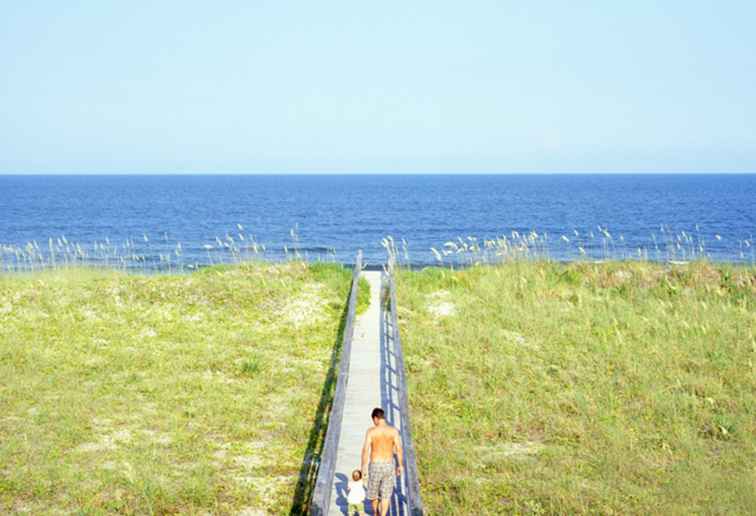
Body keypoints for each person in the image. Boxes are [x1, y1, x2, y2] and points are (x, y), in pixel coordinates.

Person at [360, 407, 403, 516]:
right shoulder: (393, 431)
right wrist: (400, 465)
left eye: (373, 420)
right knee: (386, 494)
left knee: (373, 493)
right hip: (389, 465)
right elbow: (398, 449)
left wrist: (363, 467)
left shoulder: (371, 431)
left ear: (375, 418)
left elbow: (365, 450)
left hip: (375, 464)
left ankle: (375, 513)